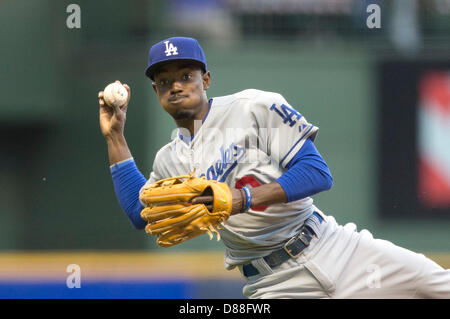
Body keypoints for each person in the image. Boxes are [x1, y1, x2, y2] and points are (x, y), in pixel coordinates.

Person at [98, 36, 450, 298]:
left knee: (439, 286)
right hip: (272, 284)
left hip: (336, 249)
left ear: (205, 80)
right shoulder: (169, 159)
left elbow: (316, 172)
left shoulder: (255, 108)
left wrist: (242, 199)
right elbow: (140, 213)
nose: (175, 86)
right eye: (164, 81)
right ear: (156, 91)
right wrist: (115, 136)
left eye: (186, 75)